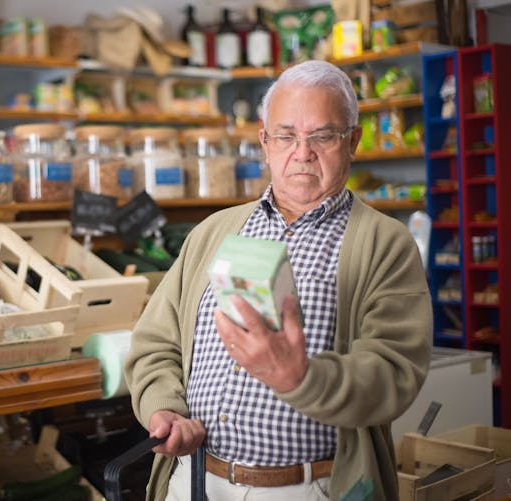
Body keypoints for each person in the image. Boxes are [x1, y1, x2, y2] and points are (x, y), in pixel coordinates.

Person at [124, 59, 432, 501]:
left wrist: (300, 377)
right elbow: (155, 343)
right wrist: (165, 409)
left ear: (353, 142)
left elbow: (393, 372)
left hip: (309, 487)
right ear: (265, 142)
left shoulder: (384, 243)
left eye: (322, 136)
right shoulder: (215, 231)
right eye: (286, 136)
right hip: (195, 481)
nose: (301, 152)